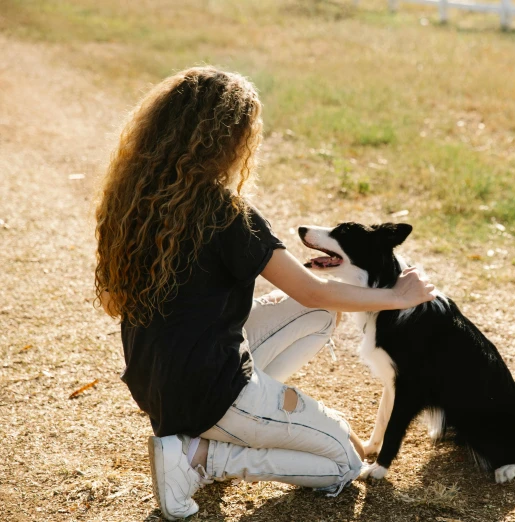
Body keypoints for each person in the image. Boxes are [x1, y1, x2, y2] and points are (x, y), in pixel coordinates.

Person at [94, 66, 435, 520]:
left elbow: (309, 303)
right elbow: (314, 290)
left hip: (158, 382)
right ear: (228, 140)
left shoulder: (134, 196)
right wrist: (399, 295)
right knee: (344, 462)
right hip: (209, 389)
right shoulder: (226, 212)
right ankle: (202, 458)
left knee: (314, 319)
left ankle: (219, 432)